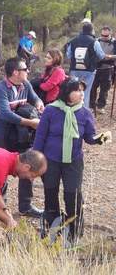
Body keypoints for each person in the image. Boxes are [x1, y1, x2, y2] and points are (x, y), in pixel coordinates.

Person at [33, 77, 109, 241]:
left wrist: (99, 139)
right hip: (50, 161)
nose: (82, 94)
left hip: (73, 162)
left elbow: (89, 137)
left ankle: (75, 231)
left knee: (73, 196)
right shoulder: (51, 110)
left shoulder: (85, 113)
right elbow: (40, 137)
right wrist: (35, 159)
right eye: (77, 90)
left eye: (82, 90)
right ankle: (53, 229)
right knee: (50, 195)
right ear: (67, 92)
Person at [0, 57, 44, 218]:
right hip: (1, 135)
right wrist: (31, 123)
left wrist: (39, 103)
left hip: (21, 134)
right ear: (15, 72)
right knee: (0, 171)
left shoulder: (25, 85)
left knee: (28, 167)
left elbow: (35, 98)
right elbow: (5, 114)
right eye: (25, 69)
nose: (28, 71)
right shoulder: (0, 89)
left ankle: (25, 207)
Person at [66, 21, 116, 108]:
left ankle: (72, 109)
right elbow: (101, 56)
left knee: (73, 89)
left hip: (74, 69)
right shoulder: (94, 42)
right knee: (86, 91)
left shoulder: (73, 41)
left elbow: (68, 55)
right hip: (89, 71)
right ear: (92, 30)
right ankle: (83, 111)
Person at [90, 26, 116, 113]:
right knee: (92, 87)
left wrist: (110, 56)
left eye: (106, 35)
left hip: (108, 69)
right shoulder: (95, 41)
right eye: (102, 35)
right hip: (96, 68)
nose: (104, 37)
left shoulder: (114, 42)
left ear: (110, 34)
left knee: (104, 89)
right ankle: (91, 105)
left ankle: (100, 106)